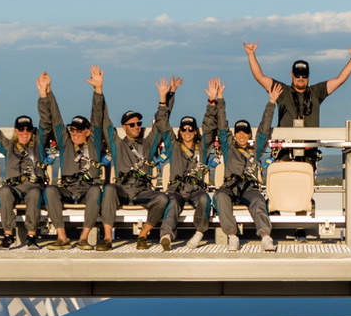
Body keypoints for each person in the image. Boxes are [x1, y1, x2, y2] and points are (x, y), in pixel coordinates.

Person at [242, 41, 351, 166]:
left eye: (304, 75)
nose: (300, 78)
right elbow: (260, 77)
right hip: (284, 155)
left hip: (309, 156)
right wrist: (251, 54)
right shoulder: (282, 91)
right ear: (292, 74)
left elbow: (339, 80)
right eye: (297, 75)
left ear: (308, 76)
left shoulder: (316, 92)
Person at [98, 77, 174, 250]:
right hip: (123, 188)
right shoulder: (117, 144)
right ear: (124, 127)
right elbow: (104, 121)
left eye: (138, 123)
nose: (136, 126)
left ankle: (143, 235)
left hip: (142, 190)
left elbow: (161, 123)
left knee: (162, 198)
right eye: (132, 124)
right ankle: (108, 238)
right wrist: (99, 92)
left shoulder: (148, 143)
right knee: (109, 189)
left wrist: (165, 98)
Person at [38, 68, 105, 250]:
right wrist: (47, 92)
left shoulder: (94, 143)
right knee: (50, 190)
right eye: (72, 130)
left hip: (86, 188)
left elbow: (97, 117)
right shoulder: (66, 143)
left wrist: (98, 90)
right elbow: (56, 118)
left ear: (87, 132)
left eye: (79, 130)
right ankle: (62, 237)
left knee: (95, 192)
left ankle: (83, 238)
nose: (74, 133)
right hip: (67, 188)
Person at [213, 80, 281, 252]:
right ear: (235, 134)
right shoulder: (228, 148)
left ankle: (265, 236)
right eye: (238, 132)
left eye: (245, 132)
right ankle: (232, 236)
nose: (241, 136)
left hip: (248, 187)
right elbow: (222, 126)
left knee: (258, 200)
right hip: (230, 186)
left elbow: (264, 129)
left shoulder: (255, 150)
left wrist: (271, 103)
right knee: (220, 196)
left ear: (249, 134)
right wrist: (220, 99)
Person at [0, 78, 47, 249]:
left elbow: (47, 122)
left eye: (28, 130)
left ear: (32, 131)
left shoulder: (39, 145)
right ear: (16, 130)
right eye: (21, 129)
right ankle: (8, 235)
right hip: (14, 188)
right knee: (4, 192)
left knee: (34, 194)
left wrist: (43, 95)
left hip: (33, 186)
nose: (24, 133)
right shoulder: (9, 146)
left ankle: (32, 235)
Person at [157, 78, 220, 251]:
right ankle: (166, 236)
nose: (187, 132)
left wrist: (212, 102)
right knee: (173, 202)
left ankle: (199, 233)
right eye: (183, 129)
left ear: (195, 131)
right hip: (177, 189)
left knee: (204, 199)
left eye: (190, 129)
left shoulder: (203, 147)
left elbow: (210, 125)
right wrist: (165, 98)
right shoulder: (173, 146)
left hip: (196, 190)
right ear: (180, 132)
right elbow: (162, 123)